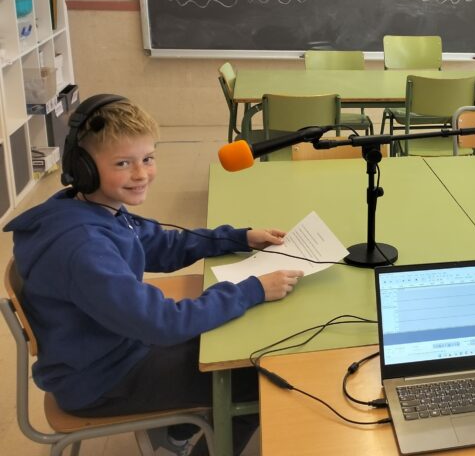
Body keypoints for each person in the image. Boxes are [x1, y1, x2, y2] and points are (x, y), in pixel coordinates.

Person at [3, 94, 304, 456]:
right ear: (82, 167)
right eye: (123, 163)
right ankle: (188, 436)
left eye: (147, 158)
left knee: (236, 337)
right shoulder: (83, 246)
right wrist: (251, 290)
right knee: (253, 381)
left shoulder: (92, 206)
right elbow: (163, 323)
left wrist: (237, 238)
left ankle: (176, 432)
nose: (141, 174)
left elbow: (162, 245)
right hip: (103, 379)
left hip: (115, 346)